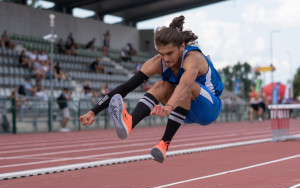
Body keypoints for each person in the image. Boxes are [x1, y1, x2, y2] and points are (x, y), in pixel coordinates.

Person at [79, 16, 223, 163]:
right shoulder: (157, 62)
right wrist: (93, 111)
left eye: (169, 53)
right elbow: (125, 87)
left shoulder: (193, 58)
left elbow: (185, 85)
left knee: (188, 85)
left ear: (182, 46)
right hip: (184, 110)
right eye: (161, 53)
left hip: (209, 108)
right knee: (161, 85)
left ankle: (166, 140)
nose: (165, 59)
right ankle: (132, 125)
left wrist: (168, 107)